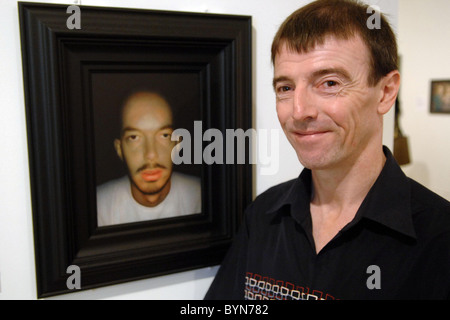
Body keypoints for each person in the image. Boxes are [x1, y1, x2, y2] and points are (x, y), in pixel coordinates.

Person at [205, 0, 450, 300]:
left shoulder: (439, 238)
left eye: (329, 83)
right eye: (285, 88)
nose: (299, 111)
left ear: (386, 93)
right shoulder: (263, 216)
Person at [97, 91, 201, 226]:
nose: (151, 154)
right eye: (134, 137)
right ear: (120, 149)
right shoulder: (98, 207)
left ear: (177, 144)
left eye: (164, 135)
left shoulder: (202, 196)